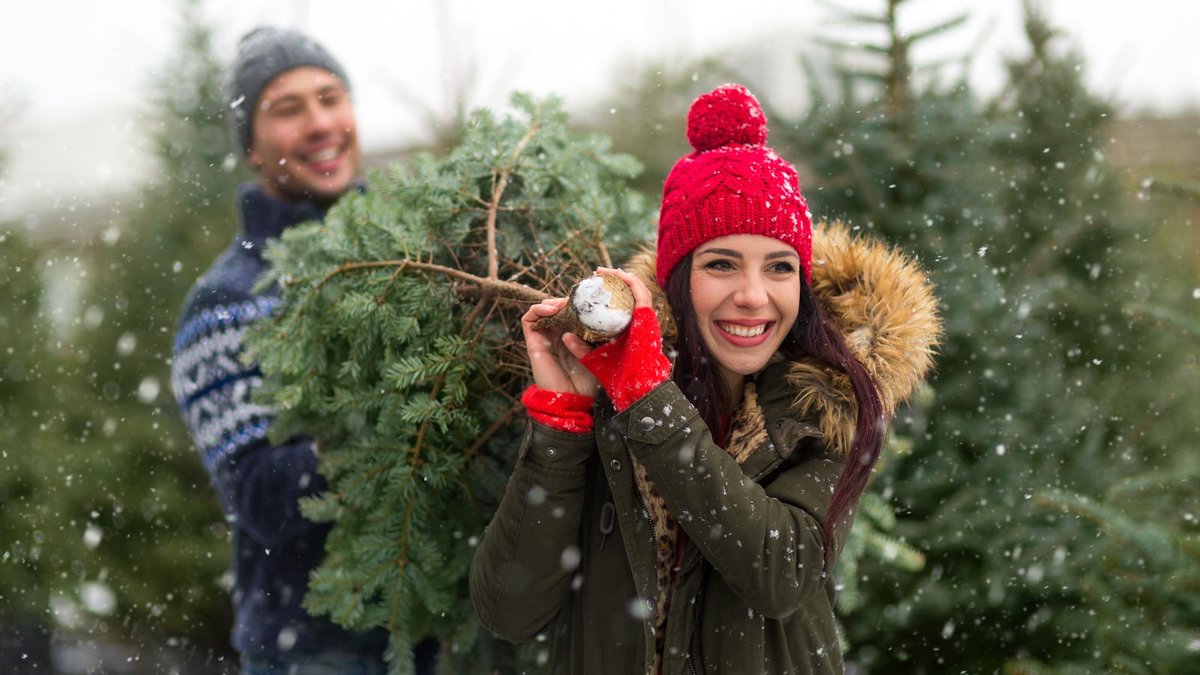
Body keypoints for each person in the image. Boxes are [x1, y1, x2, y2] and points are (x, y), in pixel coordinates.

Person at [469, 83, 941, 674]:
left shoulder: (830, 404)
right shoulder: (612, 398)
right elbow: (508, 609)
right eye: (720, 264)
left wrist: (650, 400)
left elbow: (780, 574)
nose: (753, 296)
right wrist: (562, 423)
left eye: (779, 267)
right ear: (677, 280)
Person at [171, 27, 436, 674]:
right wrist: (388, 415)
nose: (321, 124)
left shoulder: (424, 257)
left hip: (449, 632)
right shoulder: (225, 305)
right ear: (253, 149)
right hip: (318, 652)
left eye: (330, 98)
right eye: (288, 109)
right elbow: (262, 496)